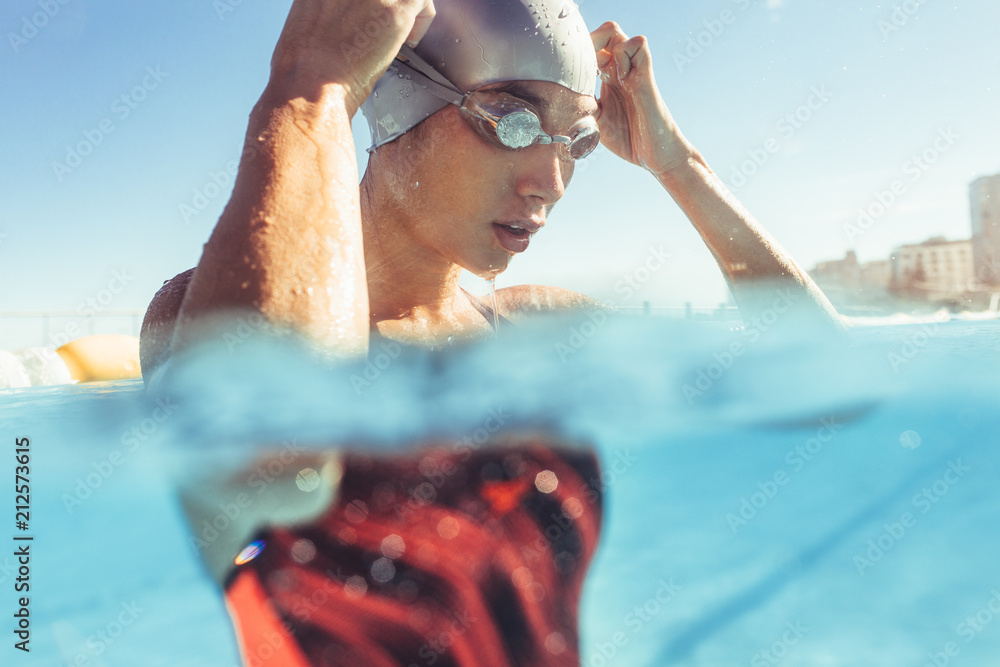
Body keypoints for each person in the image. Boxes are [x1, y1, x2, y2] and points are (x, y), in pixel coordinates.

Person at [142, 0, 846, 664]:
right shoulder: (194, 310)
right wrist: (310, 86)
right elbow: (272, 460)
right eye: (510, 119)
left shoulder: (537, 332)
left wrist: (677, 163)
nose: (552, 179)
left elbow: (823, 388)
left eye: (576, 141)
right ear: (393, 98)